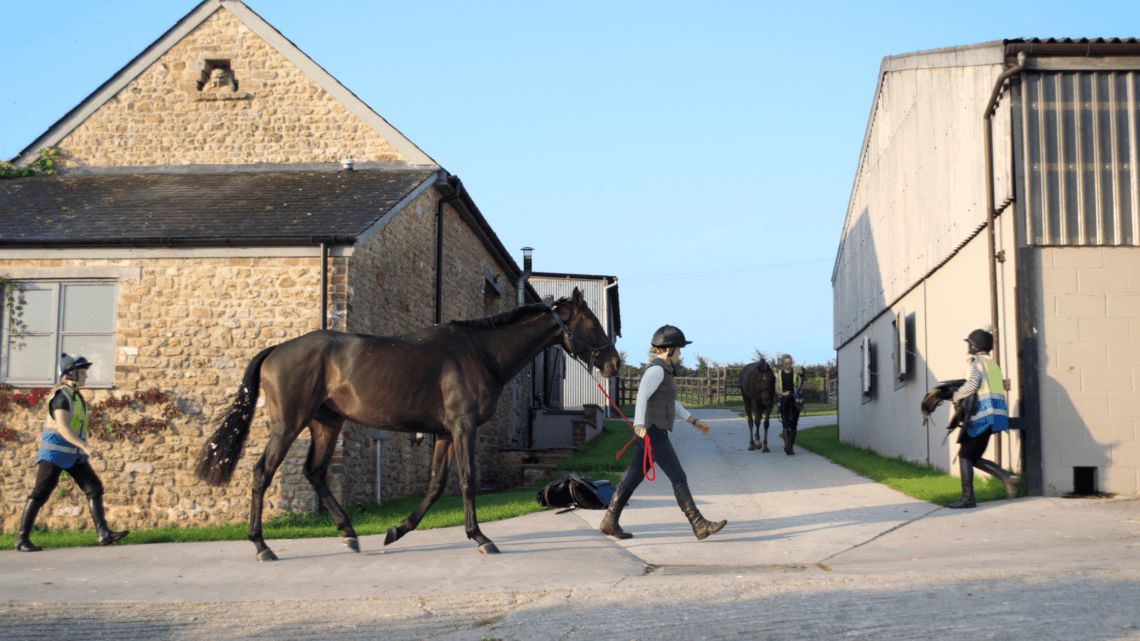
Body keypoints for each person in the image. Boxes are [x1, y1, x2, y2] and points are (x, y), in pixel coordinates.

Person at [599, 325, 727, 541]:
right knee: (678, 476)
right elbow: (641, 396)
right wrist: (639, 423)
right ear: (668, 349)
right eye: (679, 349)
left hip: (651, 431)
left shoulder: (663, 371)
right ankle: (699, 524)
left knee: (633, 477)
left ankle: (610, 521)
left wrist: (694, 421)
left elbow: (671, 402)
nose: (680, 353)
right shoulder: (656, 369)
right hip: (653, 432)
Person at [14, 354, 129, 551]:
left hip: (73, 454)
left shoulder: (76, 396)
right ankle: (21, 539)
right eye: (82, 373)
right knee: (40, 493)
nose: (85, 377)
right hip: (54, 453)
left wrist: (81, 447)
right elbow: (63, 428)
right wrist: (86, 446)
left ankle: (104, 534)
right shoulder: (61, 396)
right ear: (71, 373)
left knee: (94, 487)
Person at [947, 328, 1020, 509]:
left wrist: (956, 396)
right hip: (996, 416)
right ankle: (1007, 478)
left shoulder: (975, 362)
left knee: (965, 455)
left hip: (982, 416)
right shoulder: (993, 364)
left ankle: (968, 498)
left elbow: (972, 384)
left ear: (974, 345)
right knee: (974, 455)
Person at [774, 355, 804, 455]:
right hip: (784, 399)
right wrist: (783, 394)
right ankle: (787, 446)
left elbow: (803, 373)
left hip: (795, 400)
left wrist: (802, 370)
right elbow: (776, 390)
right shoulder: (778, 375)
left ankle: (790, 447)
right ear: (782, 364)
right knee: (785, 423)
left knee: (794, 423)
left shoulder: (796, 373)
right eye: (786, 364)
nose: (788, 365)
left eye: (790, 363)